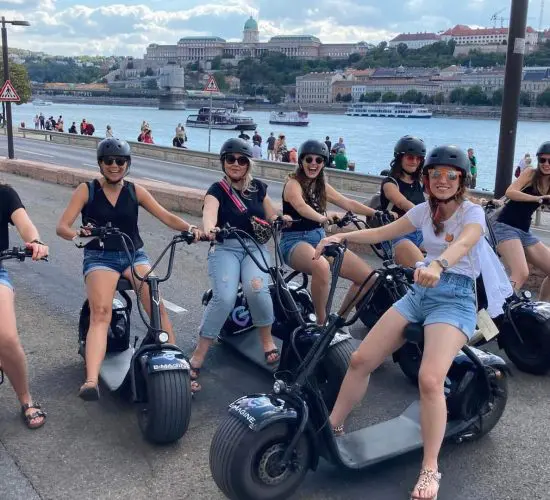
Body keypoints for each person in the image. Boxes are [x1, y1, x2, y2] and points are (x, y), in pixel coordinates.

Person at [316, 145, 508, 500]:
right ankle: (334, 425)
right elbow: (382, 233)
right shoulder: (423, 211)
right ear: (426, 179)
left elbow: (465, 243)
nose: (443, 181)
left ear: (462, 181)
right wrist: (341, 236)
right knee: (360, 360)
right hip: (420, 293)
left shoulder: (472, 213)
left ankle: (430, 468)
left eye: (451, 176)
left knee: (430, 379)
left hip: (455, 298)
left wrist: (438, 265)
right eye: (436, 174)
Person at [56, 138, 200, 401]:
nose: (114, 166)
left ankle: (180, 369)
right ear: (100, 164)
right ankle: (91, 381)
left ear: (127, 164)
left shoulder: (135, 191)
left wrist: (190, 229)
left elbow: (166, 216)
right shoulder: (86, 190)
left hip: (133, 254)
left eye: (120, 161)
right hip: (100, 257)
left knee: (156, 304)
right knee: (101, 313)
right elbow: (62, 227)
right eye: (108, 161)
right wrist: (79, 231)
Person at [189, 138, 284, 392]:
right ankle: (199, 354)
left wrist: (279, 220)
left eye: (241, 160)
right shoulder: (217, 190)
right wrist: (210, 229)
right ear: (223, 162)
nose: (236, 164)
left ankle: (266, 341)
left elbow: (271, 213)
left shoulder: (258, 188)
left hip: (254, 247)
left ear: (248, 163)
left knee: (257, 289)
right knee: (225, 297)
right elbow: (210, 213)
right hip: (226, 248)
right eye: (230, 159)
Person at [279, 139, 379, 327]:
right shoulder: (293, 183)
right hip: (294, 242)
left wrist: (376, 212)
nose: (313, 164)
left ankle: (337, 320)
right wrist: (322, 218)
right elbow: (301, 207)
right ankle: (321, 321)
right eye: (309, 159)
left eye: (319, 160)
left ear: (324, 163)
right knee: (321, 266)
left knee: (368, 278)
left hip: (320, 239)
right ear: (301, 161)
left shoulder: (321, 185)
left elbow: (348, 203)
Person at [0, 182, 48, 429]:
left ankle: (25, 398)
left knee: (6, 338)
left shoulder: (5, 193)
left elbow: (24, 224)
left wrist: (35, 241)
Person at [490, 141, 550, 300]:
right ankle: (498, 312)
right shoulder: (531, 173)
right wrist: (538, 199)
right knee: (521, 273)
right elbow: (510, 192)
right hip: (505, 226)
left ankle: (542, 311)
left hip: (524, 230)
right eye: (543, 160)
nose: (546, 164)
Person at [378, 136, 427, 267]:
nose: (415, 162)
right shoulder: (390, 183)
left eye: (419, 158)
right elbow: (402, 203)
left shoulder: (420, 182)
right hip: (397, 234)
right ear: (400, 158)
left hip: (419, 232)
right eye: (410, 157)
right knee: (421, 269)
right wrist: (427, 216)